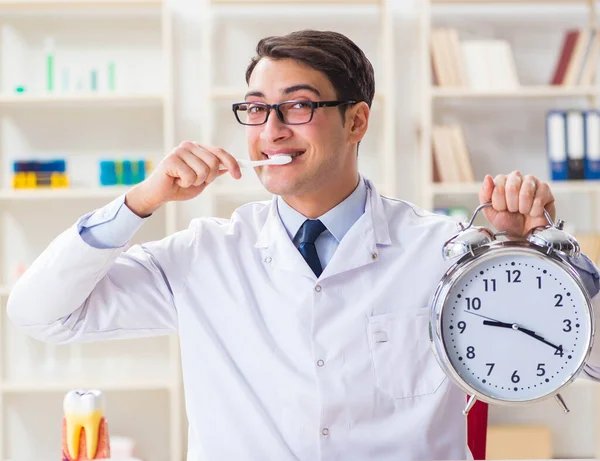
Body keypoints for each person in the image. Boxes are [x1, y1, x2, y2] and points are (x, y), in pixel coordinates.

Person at [6, 30, 600, 461]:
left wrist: (533, 256)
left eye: (298, 104)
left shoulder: (445, 248)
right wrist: (140, 201)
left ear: (357, 121)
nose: (271, 129)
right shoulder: (204, 255)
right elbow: (39, 313)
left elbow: (586, 354)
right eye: (257, 109)